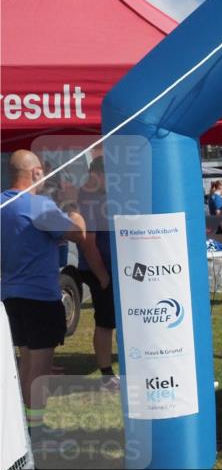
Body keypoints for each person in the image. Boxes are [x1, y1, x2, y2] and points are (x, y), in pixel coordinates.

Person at [2, 151, 104, 438]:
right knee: (41, 367)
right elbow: (78, 232)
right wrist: (73, 209)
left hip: (11, 295)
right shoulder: (37, 206)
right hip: (40, 297)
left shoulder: (3, 203)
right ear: (35, 172)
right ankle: (37, 429)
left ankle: (25, 427)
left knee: (26, 362)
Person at [76, 157, 119, 390]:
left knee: (110, 320)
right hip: (100, 269)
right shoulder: (89, 198)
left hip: (110, 268)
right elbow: (88, 242)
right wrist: (103, 277)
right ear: (98, 174)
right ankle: (106, 375)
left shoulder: (100, 196)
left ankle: (110, 371)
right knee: (105, 322)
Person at [207, 180, 222, 247]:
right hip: (220, 229)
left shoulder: (213, 197)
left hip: (216, 227)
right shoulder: (217, 198)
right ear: (220, 187)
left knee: (219, 251)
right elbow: (219, 215)